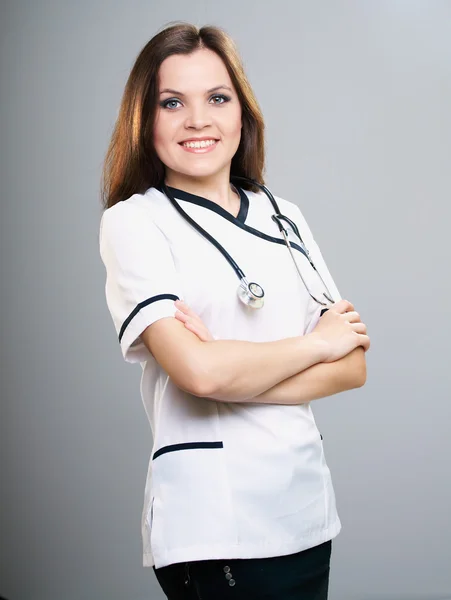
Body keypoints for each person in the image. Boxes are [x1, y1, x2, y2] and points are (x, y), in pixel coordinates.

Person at [99, 22, 370, 600]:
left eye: (217, 99)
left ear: (241, 113)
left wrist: (227, 366)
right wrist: (315, 345)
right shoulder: (135, 222)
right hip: (216, 524)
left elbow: (354, 367)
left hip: (303, 510)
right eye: (173, 102)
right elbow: (197, 374)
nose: (199, 119)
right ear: (145, 121)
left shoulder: (283, 214)